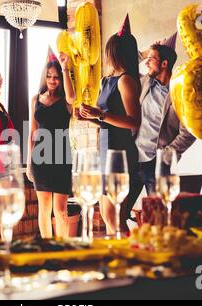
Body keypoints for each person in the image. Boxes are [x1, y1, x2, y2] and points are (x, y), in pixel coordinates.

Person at [79, 15, 141, 235]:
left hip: (120, 153)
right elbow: (104, 120)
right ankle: (122, 254)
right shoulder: (107, 80)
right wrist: (88, 117)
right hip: (105, 151)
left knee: (115, 217)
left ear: (115, 53)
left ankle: (130, 256)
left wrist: (101, 115)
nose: (106, 56)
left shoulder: (126, 80)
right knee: (108, 216)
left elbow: (134, 121)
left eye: (108, 51)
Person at [127, 33, 196, 208]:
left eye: (151, 59)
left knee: (160, 216)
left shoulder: (181, 92)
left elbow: (189, 132)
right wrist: (146, 53)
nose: (146, 63)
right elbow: (124, 64)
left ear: (164, 64)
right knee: (117, 212)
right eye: (146, 59)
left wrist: (166, 154)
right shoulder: (143, 82)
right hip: (133, 159)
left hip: (158, 165)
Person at [26, 48, 76, 239]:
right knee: (44, 209)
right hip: (40, 156)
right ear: (44, 77)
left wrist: (65, 68)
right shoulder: (35, 100)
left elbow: (72, 98)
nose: (52, 80)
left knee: (61, 210)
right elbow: (32, 132)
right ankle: (48, 248)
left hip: (62, 155)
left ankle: (61, 248)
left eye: (56, 77)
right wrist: (30, 162)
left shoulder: (66, 101)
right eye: (49, 76)